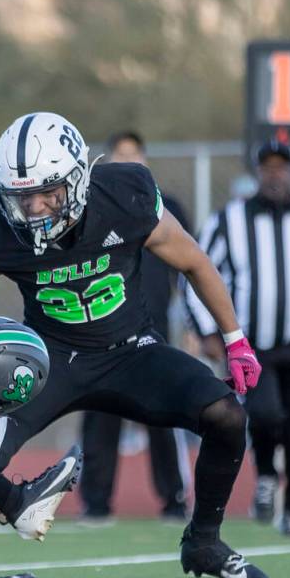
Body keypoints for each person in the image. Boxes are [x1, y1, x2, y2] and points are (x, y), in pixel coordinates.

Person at [0, 110, 269, 578]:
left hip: (133, 353)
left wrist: (234, 340)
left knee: (227, 417)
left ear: (79, 179)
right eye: (22, 197)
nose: (37, 208)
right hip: (47, 361)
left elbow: (194, 261)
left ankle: (204, 541)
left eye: (48, 192)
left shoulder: (124, 193)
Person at [188, 140, 290, 536]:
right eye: (268, 166)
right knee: (268, 413)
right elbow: (196, 270)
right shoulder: (229, 221)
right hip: (252, 344)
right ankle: (268, 474)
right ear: (258, 171)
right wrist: (208, 329)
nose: (275, 174)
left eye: (282, 166)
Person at [78, 131, 191, 521]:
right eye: (120, 156)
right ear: (107, 162)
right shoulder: (91, 208)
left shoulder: (167, 205)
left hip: (153, 334)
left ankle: (174, 500)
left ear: (145, 159)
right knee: (100, 417)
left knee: (164, 413)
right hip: (103, 333)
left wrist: (193, 326)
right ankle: (96, 504)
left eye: (135, 155)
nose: (129, 162)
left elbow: (188, 268)